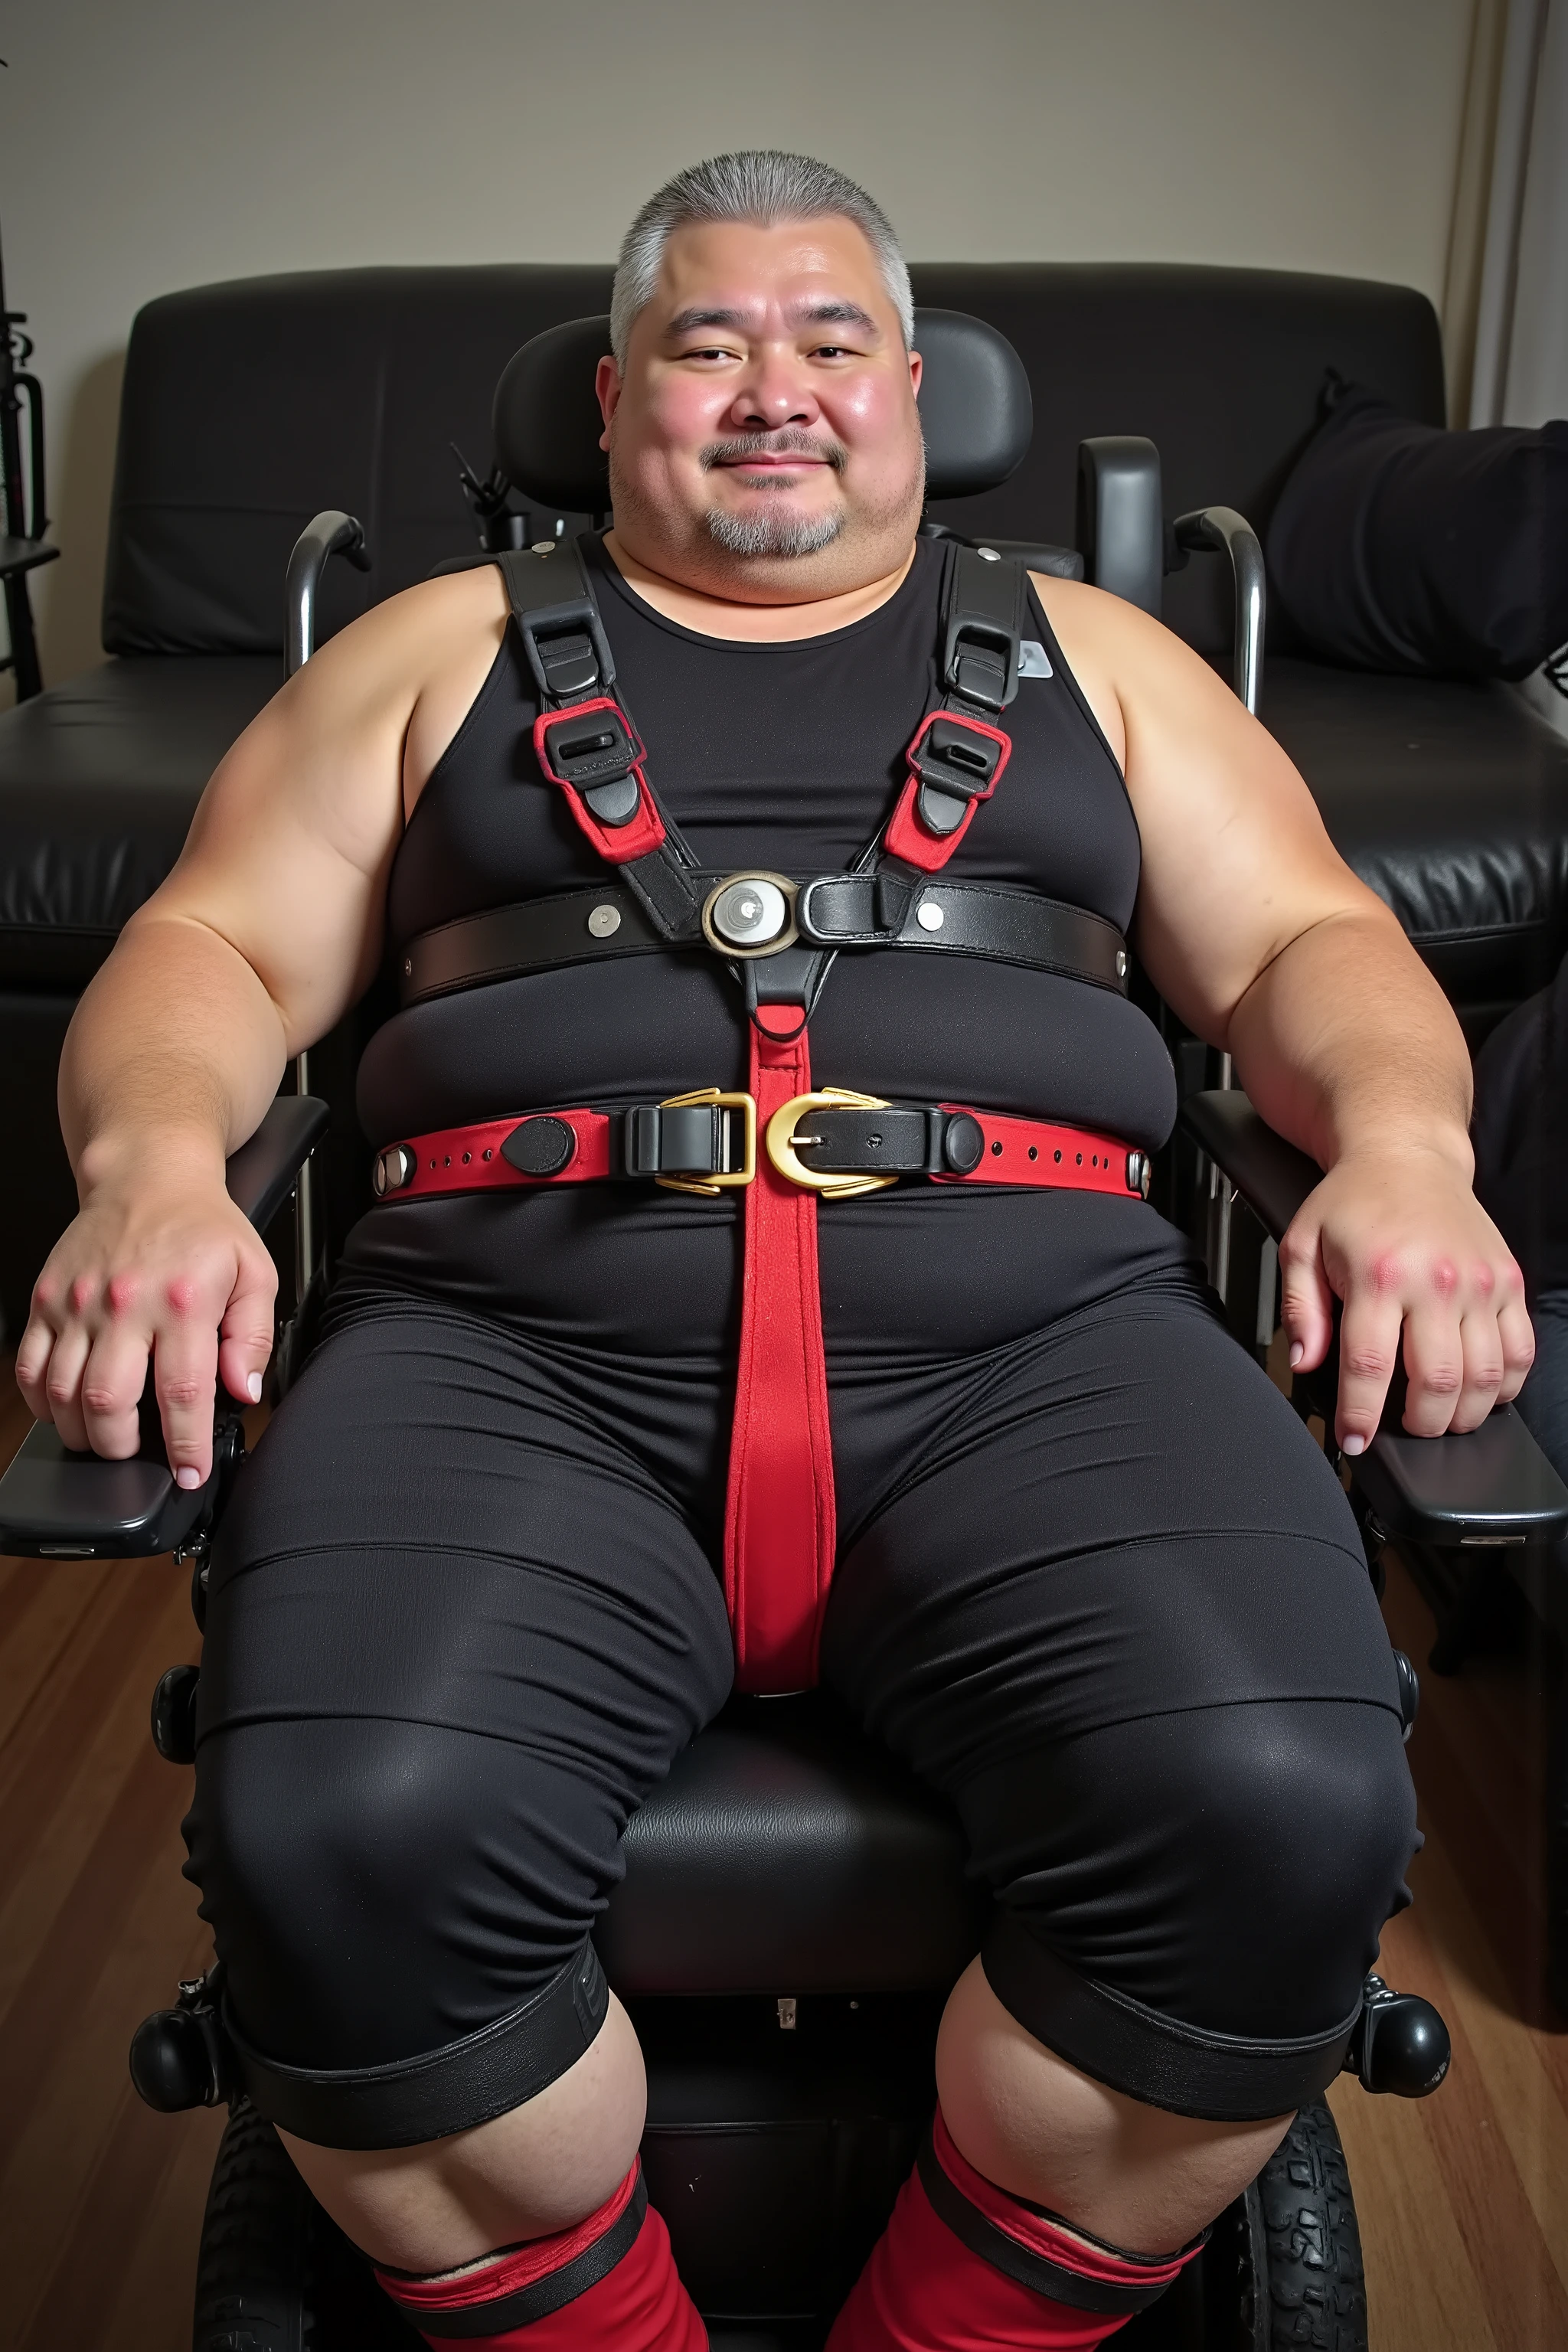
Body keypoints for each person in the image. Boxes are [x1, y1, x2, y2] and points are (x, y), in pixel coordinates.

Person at [15, 152, 1533, 2352]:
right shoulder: (434, 653)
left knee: (1279, 1814)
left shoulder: (1102, 663)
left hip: (1044, 1352)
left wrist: (1404, 1148)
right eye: (705, 344)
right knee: (347, 1838)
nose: (774, 391)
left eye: (832, 341)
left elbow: (1312, 940)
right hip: (511, 1354)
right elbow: (213, 949)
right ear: (610, 395)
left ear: (915, 389)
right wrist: (154, 1166)